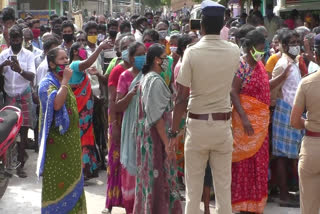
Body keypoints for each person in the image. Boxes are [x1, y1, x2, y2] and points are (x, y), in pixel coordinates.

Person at [171, 1, 240, 213]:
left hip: (198, 125)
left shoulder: (192, 52)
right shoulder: (234, 50)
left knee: (193, 191)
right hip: (222, 126)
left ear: (201, 25)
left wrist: (173, 131)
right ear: (222, 25)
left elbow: (181, 97)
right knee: (223, 190)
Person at [37, 47, 87, 214]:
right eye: (61, 59)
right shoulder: (47, 84)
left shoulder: (61, 80)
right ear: (51, 64)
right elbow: (57, 105)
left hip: (71, 146)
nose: (66, 61)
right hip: (56, 149)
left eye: (67, 58)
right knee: (58, 185)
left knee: (75, 183)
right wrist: (65, 82)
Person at [133, 43, 182, 214]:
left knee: (151, 179)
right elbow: (157, 117)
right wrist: (167, 144)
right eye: (164, 58)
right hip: (155, 140)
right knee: (159, 179)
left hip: (148, 138)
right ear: (156, 60)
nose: (167, 61)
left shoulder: (147, 78)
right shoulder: (154, 81)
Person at [230, 29, 270, 214]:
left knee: (259, 162)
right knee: (244, 162)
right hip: (244, 124)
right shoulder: (242, 66)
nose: (261, 53)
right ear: (249, 47)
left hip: (261, 126)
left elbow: (265, 87)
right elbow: (233, 92)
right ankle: (243, 205)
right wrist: (245, 119)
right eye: (258, 49)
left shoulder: (260, 65)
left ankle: (255, 204)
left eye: (263, 49)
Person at [68, 40, 111, 180]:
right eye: (81, 49)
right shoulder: (74, 65)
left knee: (85, 139)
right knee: (81, 141)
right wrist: (99, 48)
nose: (84, 51)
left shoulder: (80, 69)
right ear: (75, 52)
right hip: (80, 112)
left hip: (85, 112)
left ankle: (86, 170)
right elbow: (87, 63)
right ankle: (81, 172)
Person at [271, 29, 303, 207]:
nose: (296, 46)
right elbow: (273, 89)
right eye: (292, 43)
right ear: (283, 46)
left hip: (293, 111)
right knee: (283, 156)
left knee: (292, 155)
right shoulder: (283, 64)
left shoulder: (293, 62)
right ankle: (284, 195)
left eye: (297, 43)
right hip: (285, 112)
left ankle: (289, 192)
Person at [105, 35, 135, 213]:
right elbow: (111, 99)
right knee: (116, 161)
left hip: (133, 121)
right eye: (124, 46)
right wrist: (115, 124)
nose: (128, 48)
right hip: (118, 117)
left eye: (131, 45)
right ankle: (110, 202)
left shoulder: (140, 70)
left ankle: (129, 200)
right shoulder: (117, 70)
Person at [0, 25, 36, 178]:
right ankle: (8, 165)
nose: (15, 41)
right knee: (8, 133)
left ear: (22, 39)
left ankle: (20, 165)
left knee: (23, 131)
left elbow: (32, 76)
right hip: (9, 96)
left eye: (18, 39)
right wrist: (3, 65)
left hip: (24, 94)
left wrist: (19, 69)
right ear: (10, 40)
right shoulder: (3, 54)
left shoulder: (28, 55)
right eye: (12, 39)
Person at [290, 33, 320, 214]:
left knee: (308, 209)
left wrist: (309, 124)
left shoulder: (307, 82)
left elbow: (294, 121)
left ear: (315, 55)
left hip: (312, 147)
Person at [116, 42, 146, 214]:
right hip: (131, 126)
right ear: (132, 57)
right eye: (139, 54)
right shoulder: (125, 76)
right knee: (132, 166)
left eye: (145, 54)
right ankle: (131, 207)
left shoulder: (150, 74)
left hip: (147, 125)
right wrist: (130, 94)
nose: (143, 57)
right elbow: (118, 106)